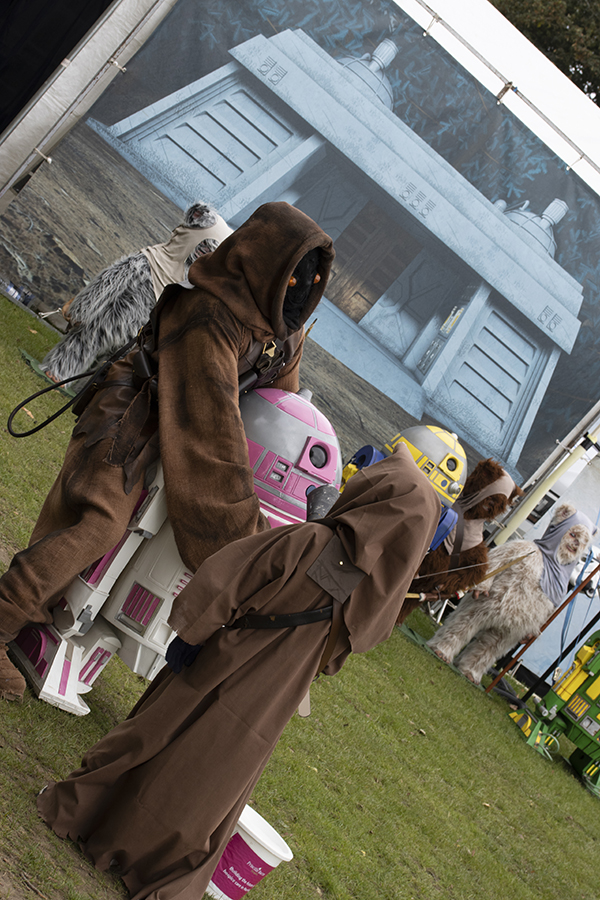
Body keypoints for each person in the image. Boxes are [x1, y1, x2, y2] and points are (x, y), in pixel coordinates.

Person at [36, 446, 440, 900]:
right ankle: (155, 865)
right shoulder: (378, 599)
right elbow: (334, 659)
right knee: (212, 780)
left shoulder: (310, 541)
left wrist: (192, 633)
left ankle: (83, 813)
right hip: (272, 702)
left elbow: (230, 580)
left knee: (155, 734)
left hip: (222, 663)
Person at [0, 201, 335, 702]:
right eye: (293, 277)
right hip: (131, 417)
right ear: (266, 264)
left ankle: (42, 633)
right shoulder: (211, 311)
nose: (300, 291)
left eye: (310, 282)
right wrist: (248, 538)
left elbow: (278, 408)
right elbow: (212, 425)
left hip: (180, 426)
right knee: (98, 524)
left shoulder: (284, 333)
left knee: (138, 546)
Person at [40, 203, 233, 383]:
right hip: (155, 299)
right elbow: (111, 280)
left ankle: (69, 376)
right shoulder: (158, 262)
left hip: (153, 295)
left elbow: (110, 280)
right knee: (104, 340)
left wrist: (81, 308)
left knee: (101, 340)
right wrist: (82, 307)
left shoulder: (164, 263)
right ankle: (70, 376)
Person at [427, 502, 595, 683]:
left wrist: (535, 629)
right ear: (559, 530)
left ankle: (473, 668)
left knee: (494, 645)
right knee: (466, 622)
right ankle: (444, 646)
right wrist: (483, 583)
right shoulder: (527, 549)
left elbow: (550, 608)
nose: (575, 544)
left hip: (517, 625)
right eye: (572, 535)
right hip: (489, 601)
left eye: (582, 543)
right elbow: (494, 561)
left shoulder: (561, 582)